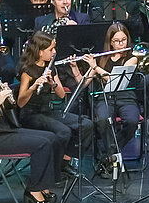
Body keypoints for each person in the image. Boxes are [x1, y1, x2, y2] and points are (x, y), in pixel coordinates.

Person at [0, 48, 65, 203]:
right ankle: (34, 190)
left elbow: (10, 111)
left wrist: (9, 99)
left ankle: (44, 185)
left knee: (52, 137)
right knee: (42, 144)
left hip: (7, 130)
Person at [16, 30, 93, 170]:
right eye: (51, 49)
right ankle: (53, 167)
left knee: (86, 125)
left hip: (47, 112)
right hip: (30, 115)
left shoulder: (51, 67)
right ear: (40, 52)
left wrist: (53, 84)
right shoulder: (27, 71)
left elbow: (62, 95)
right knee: (64, 131)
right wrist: (34, 86)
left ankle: (64, 161)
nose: (54, 52)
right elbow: (20, 102)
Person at [79, 22, 141, 178]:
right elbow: (84, 83)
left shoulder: (132, 58)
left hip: (126, 96)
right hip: (105, 96)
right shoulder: (101, 58)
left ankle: (109, 154)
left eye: (124, 40)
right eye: (117, 41)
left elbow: (113, 78)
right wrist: (77, 67)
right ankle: (113, 156)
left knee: (132, 120)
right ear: (110, 42)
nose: (121, 44)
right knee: (102, 120)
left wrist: (96, 67)